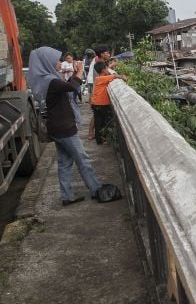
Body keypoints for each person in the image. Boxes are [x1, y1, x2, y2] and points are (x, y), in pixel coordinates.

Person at [28, 47, 103, 206]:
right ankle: (97, 190)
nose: (60, 63)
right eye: (57, 60)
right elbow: (72, 87)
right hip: (64, 127)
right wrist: (80, 69)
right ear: (47, 62)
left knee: (64, 162)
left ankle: (67, 196)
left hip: (56, 126)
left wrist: (75, 73)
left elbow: (66, 85)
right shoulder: (51, 81)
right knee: (83, 159)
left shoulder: (46, 79)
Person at [91, 61, 127, 145]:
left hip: (97, 103)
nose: (108, 70)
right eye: (107, 68)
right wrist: (122, 76)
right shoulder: (101, 78)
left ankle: (100, 139)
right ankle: (101, 139)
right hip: (100, 104)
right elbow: (114, 76)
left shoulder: (100, 78)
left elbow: (111, 75)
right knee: (103, 122)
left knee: (99, 122)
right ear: (103, 70)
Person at [87, 45, 111, 140]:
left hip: (96, 90)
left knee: (96, 115)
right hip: (96, 91)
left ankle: (92, 132)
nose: (108, 55)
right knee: (96, 115)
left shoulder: (101, 62)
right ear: (101, 54)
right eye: (107, 53)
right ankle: (91, 132)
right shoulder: (99, 63)